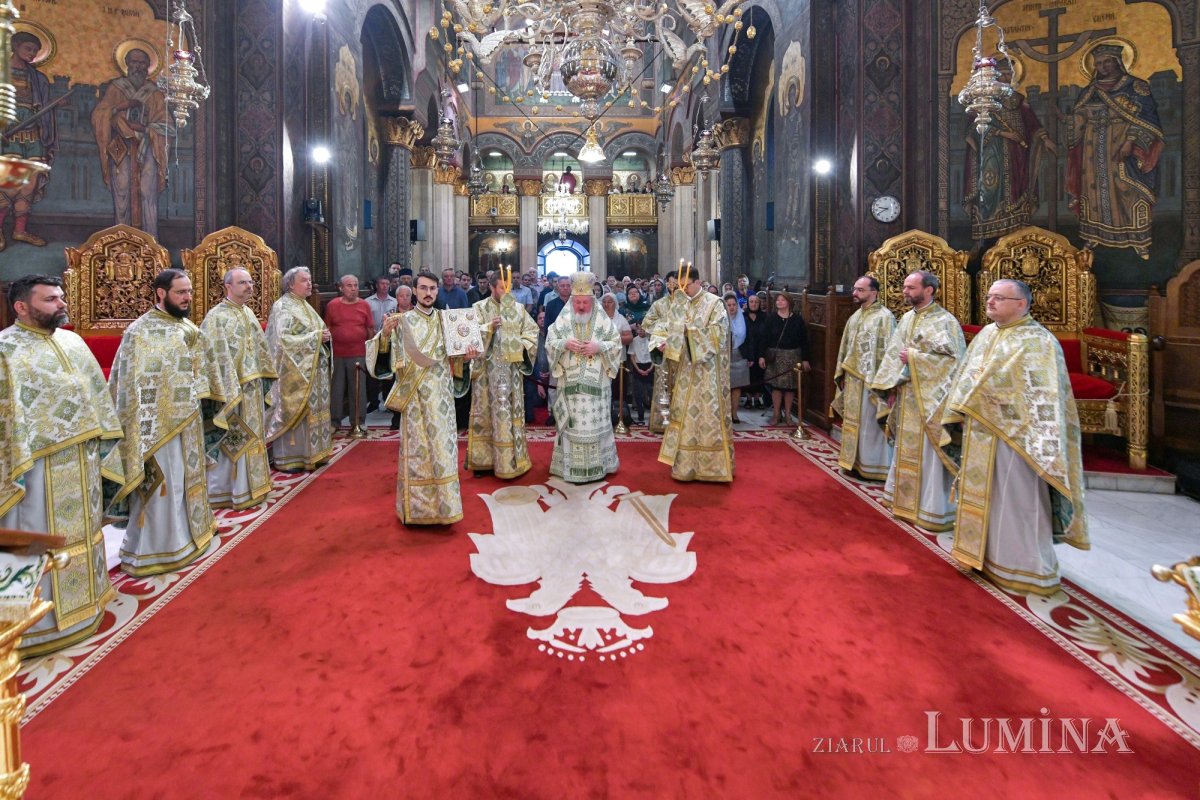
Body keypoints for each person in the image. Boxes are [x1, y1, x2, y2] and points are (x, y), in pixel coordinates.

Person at [0, 275, 130, 655]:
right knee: (32, 535)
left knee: (83, 529)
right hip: (32, 468)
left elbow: (95, 393)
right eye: (50, 299)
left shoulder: (72, 341)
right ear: (21, 307)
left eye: (60, 297)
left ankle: (85, 604)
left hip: (80, 456)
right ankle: (26, 625)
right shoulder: (5, 350)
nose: (60, 304)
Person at [941, 279, 1088, 594]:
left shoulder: (1039, 342)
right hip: (982, 432)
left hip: (1019, 439)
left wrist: (982, 400)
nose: (990, 302)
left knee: (1017, 499)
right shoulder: (986, 334)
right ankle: (983, 555)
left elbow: (1042, 397)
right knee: (987, 497)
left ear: (1021, 304)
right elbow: (967, 376)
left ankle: (1024, 567)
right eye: (990, 296)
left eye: (999, 298)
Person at [109, 269, 236, 576]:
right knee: (164, 484)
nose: (187, 298)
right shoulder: (139, 333)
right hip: (155, 428)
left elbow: (202, 369)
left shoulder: (188, 327)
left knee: (187, 480)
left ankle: (193, 534)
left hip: (188, 420)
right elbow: (128, 386)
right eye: (181, 292)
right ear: (161, 293)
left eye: (189, 292)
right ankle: (158, 547)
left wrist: (208, 398)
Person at [368, 271, 479, 524]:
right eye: (423, 288)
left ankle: (446, 508)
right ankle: (417, 511)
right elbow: (383, 360)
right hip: (415, 400)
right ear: (415, 291)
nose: (428, 293)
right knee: (418, 452)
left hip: (441, 398)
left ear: (437, 292)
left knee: (443, 450)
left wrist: (468, 356)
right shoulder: (401, 322)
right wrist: (384, 336)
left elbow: (457, 359)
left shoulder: (447, 320)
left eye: (433, 289)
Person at [870, 270, 966, 532]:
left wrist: (915, 357)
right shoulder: (906, 318)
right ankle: (903, 501)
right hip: (907, 396)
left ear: (929, 290)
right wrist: (890, 386)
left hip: (932, 401)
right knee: (906, 449)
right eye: (905, 287)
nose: (905, 291)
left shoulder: (946, 322)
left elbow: (954, 362)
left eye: (911, 287)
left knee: (929, 454)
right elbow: (893, 355)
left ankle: (931, 508)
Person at [1066, 43, 1163, 258]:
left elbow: (1148, 120)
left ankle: (1138, 239)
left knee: (1127, 189)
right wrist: (1072, 120)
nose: (1102, 67)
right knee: (1094, 190)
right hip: (1092, 148)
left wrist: (1130, 141)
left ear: (1118, 61)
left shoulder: (1136, 87)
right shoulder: (1090, 90)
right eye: (1098, 63)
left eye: (1106, 61)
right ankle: (1094, 235)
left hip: (1121, 144)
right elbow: (1079, 116)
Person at [200, 268, 278, 509]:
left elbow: (260, 348)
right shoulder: (216, 317)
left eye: (251, 282)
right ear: (228, 286)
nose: (249, 287)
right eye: (243, 282)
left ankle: (253, 486)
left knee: (252, 437)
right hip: (231, 392)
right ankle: (227, 491)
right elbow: (212, 357)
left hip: (251, 389)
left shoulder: (248, 313)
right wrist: (228, 386)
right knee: (233, 438)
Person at [648, 266, 733, 482]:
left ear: (698, 282)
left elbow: (719, 335)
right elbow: (662, 327)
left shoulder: (715, 304)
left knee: (707, 416)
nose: (683, 290)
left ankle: (713, 469)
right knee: (684, 419)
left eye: (686, 286)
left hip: (708, 376)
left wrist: (687, 334)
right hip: (685, 374)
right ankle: (685, 467)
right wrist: (659, 342)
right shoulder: (679, 304)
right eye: (680, 286)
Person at [963, 56, 1056, 241]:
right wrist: (1004, 134)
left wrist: (1045, 139)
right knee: (990, 189)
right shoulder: (982, 99)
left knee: (1015, 187)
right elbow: (972, 129)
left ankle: (1015, 233)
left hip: (1016, 153)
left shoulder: (1018, 100)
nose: (1005, 79)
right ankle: (988, 234)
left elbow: (1032, 123)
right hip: (991, 151)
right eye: (1002, 75)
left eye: (1008, 75)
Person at [545, 271, 622, 483]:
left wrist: (599, 347)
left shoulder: (603, 320)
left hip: (597, 387)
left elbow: (615, 344)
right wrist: (564, 344)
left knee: (594, 427)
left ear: (592, 300)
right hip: (570, 386)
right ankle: (569, 467)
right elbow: (550, 342)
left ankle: (601, 465)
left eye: (585, 302)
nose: (580, 306)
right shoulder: (563, 318)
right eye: (577, 302)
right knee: (572, 427)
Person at [466, 272, 538, 479]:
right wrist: (489, 328)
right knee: (486, 416)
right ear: (491, 287)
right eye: (501, 288)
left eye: (507, 289)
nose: (505, 292)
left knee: (509, 417)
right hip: (487, 375)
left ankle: (512, 461)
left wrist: (521, 348)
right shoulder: (479, 308)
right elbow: (469, 336)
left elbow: (532, 333)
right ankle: (484, 462)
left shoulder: (518, 309)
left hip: (511, 374)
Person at [91, 47, 168, 236]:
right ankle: (122, 236)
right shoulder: (116, 88)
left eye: (142, 63)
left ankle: (150, 240)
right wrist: (120, 108)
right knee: (122, 187)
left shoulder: (155, 93)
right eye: (134, 62)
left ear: (148, 66)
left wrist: (144, 129)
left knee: (147, 189)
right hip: (120, 145)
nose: (138, 66)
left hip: (148, 147)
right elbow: (99, 115)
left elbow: (166, 124)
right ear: (127, 64)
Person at [264, 267, 333, 472]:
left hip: (312, 371)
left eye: (310, 280)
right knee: (297, 413)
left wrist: (323, 338)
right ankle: (291, 458)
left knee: (312, 413)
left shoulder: (304, 305)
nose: (309, 284)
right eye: (304, 280)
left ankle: (315, 454)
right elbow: (282, 341)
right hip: (293, 372)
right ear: (290, 284)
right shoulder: (283, 306)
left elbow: (317, 332)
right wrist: (316, 338)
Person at [832, 275, 896, 481]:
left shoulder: (885, 318)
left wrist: (882, 383)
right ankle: (854, 462)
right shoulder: (856, 316)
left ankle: (875, 466)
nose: (855, 293)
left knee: (870, 424)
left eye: (860, 290)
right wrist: (842, 373)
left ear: (873, 292)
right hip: (853, 379)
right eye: (855, 289)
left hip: (872, 383)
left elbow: (888, 352)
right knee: (854, 423)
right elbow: (846, 348)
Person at [0, 33, 56, 250]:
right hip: (9, 134)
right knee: (9, 184)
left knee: (30, 184)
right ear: (15, 46)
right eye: (28, 48)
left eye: (35, 50)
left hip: (33, 135)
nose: (32, 53)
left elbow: (41, 106)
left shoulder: (38, 78)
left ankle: (20, 230)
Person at [323, 275, 374, 429]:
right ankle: (334, 422)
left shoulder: (364, 305)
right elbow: (328, 327)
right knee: (336, 389)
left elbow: (370, 329)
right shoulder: (332, 305)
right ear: (341, 288)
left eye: (356, 285)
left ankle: (359, 421)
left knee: (358, 389)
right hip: (338, 353)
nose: (353, 289)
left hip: (358, 353)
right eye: (349, 285)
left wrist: (369, 349)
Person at [760, 291, 811, 426]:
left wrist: (805, 359)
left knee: (790, 387)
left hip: (793, 356)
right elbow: (764, 338)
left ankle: (788, 415)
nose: (779, 302)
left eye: (782, 300)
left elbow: (804, 340)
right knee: (776, 387)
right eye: (778, 300)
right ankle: (776, 414)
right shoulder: (771, 318)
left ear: (789, 302)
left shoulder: (797, 319)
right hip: (776, 356)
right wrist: (761, 356)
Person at [365, 276, 398, 412]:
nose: (385, 286)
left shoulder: (395, 302)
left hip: (390, 340)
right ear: (377, 285)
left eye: (387, 284)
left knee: (388, 372)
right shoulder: (367, 302)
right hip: (374, 340)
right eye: (382, 284)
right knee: (372, 372)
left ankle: (388, 400)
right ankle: (373, 401)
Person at [600, 293, 634, 425]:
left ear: (615, 303)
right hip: (601, 359)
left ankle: (618, 416)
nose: (606, 304)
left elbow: (629, 338)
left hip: (618, 360)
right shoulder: (597, 319)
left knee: (617, 388)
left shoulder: (621, 320)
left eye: (610, 302)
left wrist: (614, 340)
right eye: (604, 302)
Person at [626, 286, 654, 425]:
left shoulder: (647, 307)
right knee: (634, 384)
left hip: (648, 359)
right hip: (630, 344)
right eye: (630, 293)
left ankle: (649, 407)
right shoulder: (624, 308)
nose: (633, 294)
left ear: (640, 293)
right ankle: (637, 407)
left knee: (650, 388)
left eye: (635, 292)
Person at [724, 293, 751, 424]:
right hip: (725, 356)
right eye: (729, 305)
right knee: (726, 386)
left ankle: (734, 413)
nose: (732, 307)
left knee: (737, 387)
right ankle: (725, 413)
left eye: (734, 305)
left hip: (740, 355)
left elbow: (750, 338)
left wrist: (750, 357)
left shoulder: (744, 318)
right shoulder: (720, 319)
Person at [742, 292, 769, 409]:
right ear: (748, 303)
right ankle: (748, 398)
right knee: (748, 376)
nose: (754, 304)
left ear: (760, 303)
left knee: (759, 375)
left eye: (756, 302)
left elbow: (766, 336)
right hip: (747, 350)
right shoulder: (742, 316)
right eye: (751, 302)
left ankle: (757, 398)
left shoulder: (765, 317)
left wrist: (762, 354)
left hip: (760, 350)